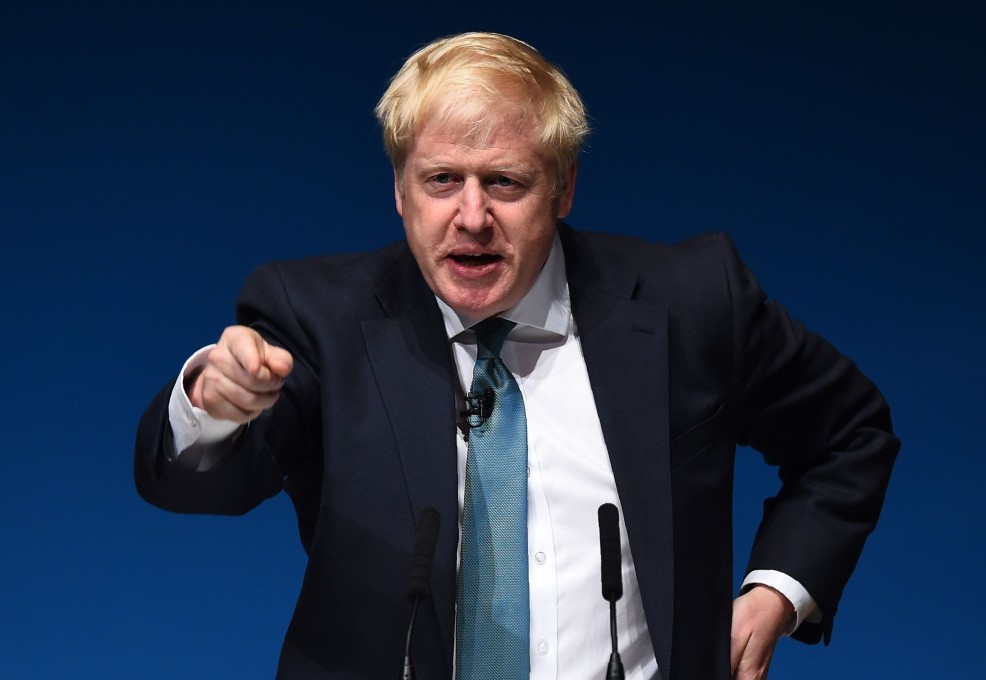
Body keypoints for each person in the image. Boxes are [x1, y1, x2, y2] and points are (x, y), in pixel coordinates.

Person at [135, 32, 899, 680]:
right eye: (441, 181)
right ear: (399, 190)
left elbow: (849, 432)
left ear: (564, 188)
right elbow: (210, 485)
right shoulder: (318, 318)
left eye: (504, 182)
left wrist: (777, 590)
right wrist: (212, 400)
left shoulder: (693, 301)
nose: (472, 217)